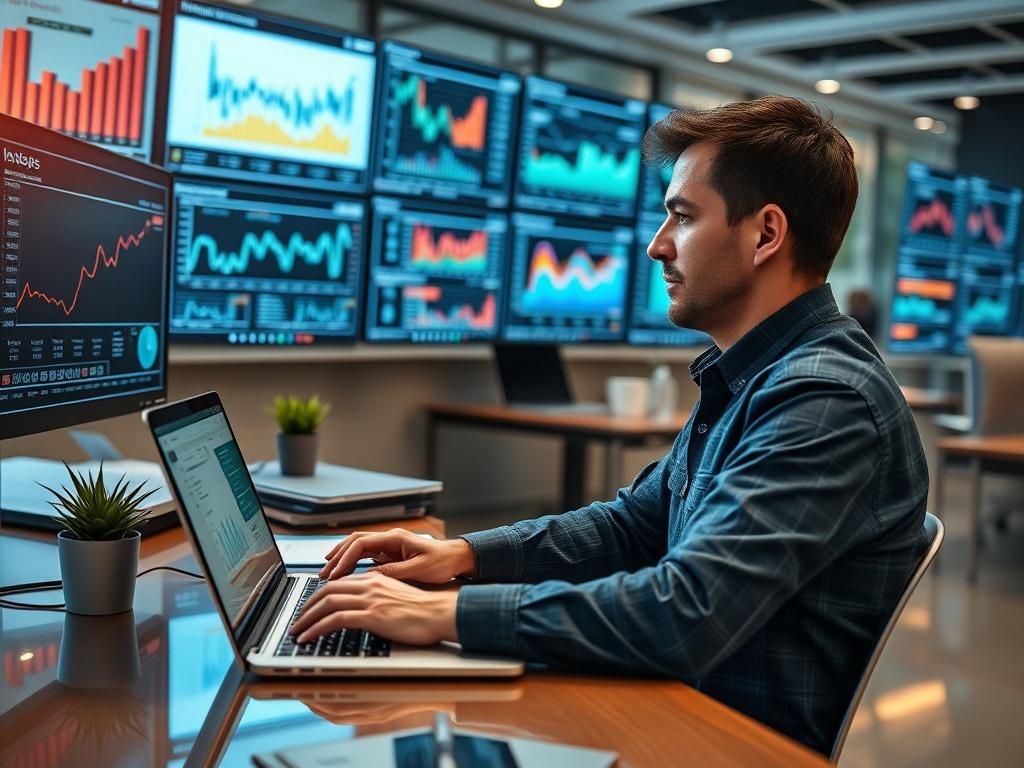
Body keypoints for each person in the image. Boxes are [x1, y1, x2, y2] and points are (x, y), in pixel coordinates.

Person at [289, 95, 929, 755]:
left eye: (682, 216)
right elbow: (633, 526)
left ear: (765, 234)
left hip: (718, 742)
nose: (657, 246)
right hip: (669, 705)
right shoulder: (754, 375)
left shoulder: (824, 400)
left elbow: (686, 614)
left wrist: (445, 613)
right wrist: (467, 556)